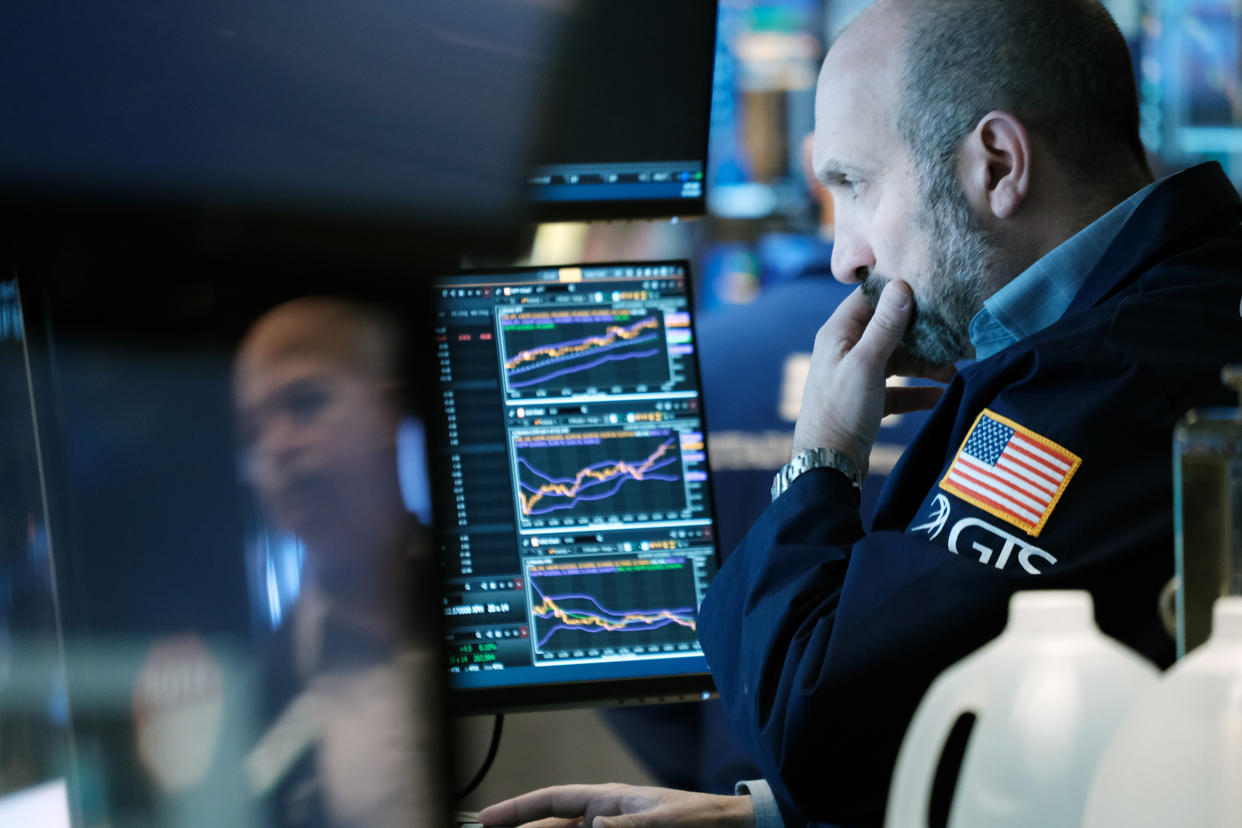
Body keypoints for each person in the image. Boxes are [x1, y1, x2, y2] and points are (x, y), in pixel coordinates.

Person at [479, 0, 1242, 826]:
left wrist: (822, 456)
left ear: (997, 164)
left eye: (855, 183)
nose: (844, 257)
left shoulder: (1104, 385)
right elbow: (998, 748)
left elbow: (828, 726)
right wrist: (753, 821)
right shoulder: (1161, 317)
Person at [233, 297, 444, 828]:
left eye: (305, 403)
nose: (276, 447)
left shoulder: (496, 612)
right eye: (253, 431)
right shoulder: (263, 686)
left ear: (386, 413)